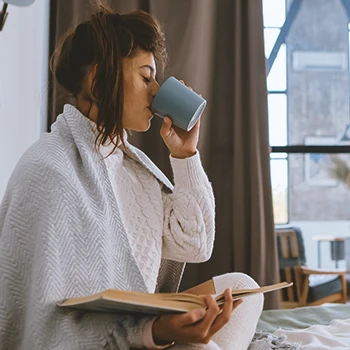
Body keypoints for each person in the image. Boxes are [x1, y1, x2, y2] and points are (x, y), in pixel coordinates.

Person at [0, 3, 263, 349]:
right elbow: (46, 326)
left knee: (243, 288)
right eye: (145, 76)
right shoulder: (51, 171)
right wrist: (154, 332)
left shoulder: (131, 166)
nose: (156, 91)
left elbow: (196, 243)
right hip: (114, 340)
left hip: (141, 331)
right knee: (200, 346)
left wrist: (184, 156)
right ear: (98, 81)